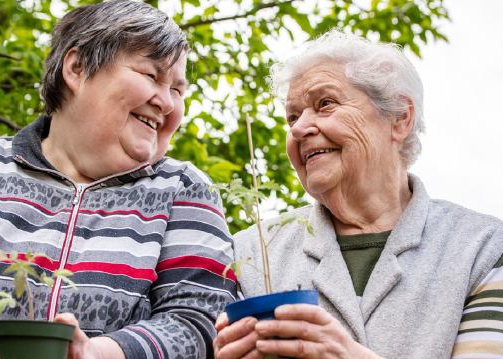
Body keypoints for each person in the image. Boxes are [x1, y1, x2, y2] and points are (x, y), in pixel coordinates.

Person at [0, 2, 237, 359]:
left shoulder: (185, 190)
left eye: (178, 89)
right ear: (77, 68)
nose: (167, 103)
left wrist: (96, 354)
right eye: (151, 76)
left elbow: (202, 318)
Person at [213, 30, 503, 359]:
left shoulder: (483, 249)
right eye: (292, 117)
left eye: (325, 104)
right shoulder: (249, 252)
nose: (296, 128)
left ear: (399, 118)